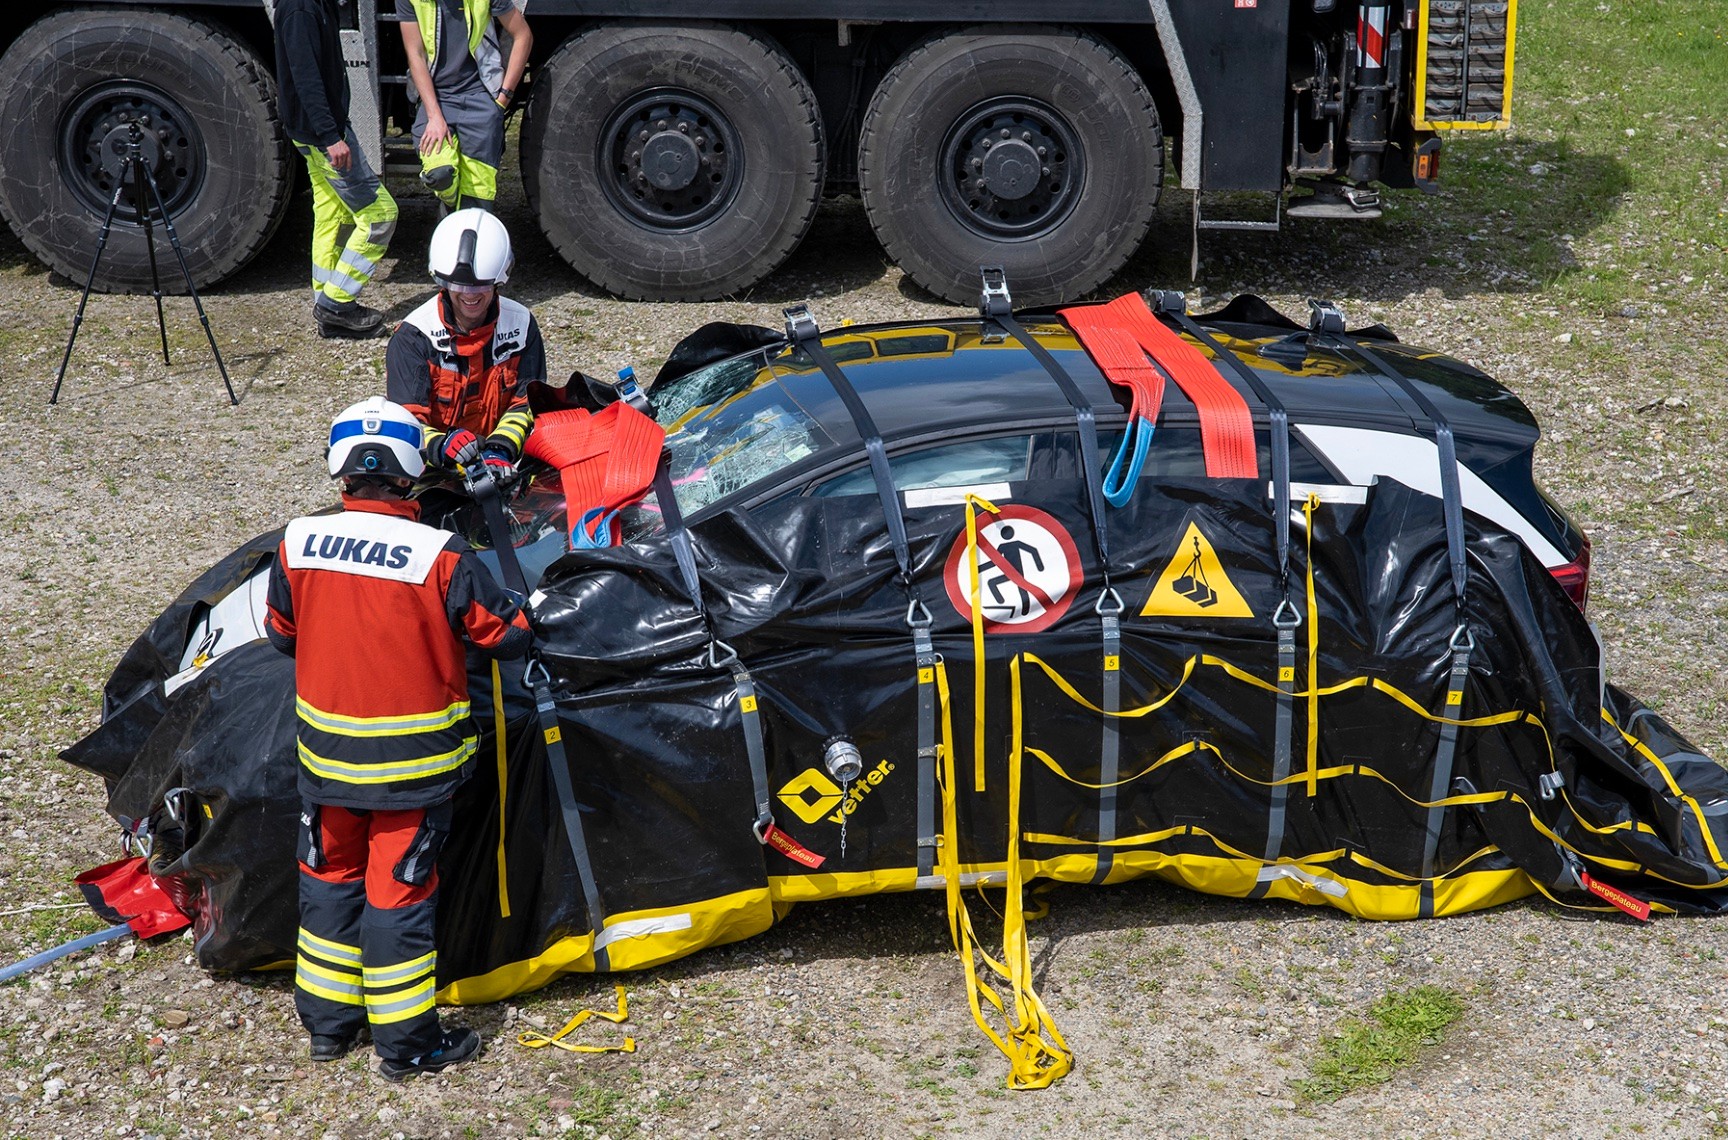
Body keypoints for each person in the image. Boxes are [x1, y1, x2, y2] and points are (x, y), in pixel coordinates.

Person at [265, 396, 532, 1079]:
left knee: (328, 883)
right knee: (398, 899)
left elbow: (279, 633)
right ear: (412, 469)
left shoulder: (298, 541)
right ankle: (408, 1045)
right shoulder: (441, 555)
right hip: (410, 773)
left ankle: (328, 1028)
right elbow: (505, 636)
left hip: (325, 766)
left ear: (340, 470)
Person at [387, 208, 543, 480]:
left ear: (499, 281)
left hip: (504, 465)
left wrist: (500, 449)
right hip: (434, 474)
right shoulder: (414, 338)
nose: (470, 295)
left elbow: (525, 403)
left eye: (481, 286)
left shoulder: (521, 325)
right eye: (459, 286)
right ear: (443, 283)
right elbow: (408, 424)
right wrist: (442, 446)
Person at [273, 0, 399, 339]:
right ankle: (337, 305)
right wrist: (331, 136)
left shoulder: (315, 4)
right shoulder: (301, 8)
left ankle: (325, 301)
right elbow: (306, 76)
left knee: (329, 214)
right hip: (323, 137)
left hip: (315, 133)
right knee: (379, 216)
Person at [397, 0, 532, 213]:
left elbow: (523, 35)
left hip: (480, 99)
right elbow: (415, 55)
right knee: (439, 175)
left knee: (477, 200)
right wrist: (434, 117)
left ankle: (466, 233)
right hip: (437, 99)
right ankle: (451, 207)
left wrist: (503, 98)